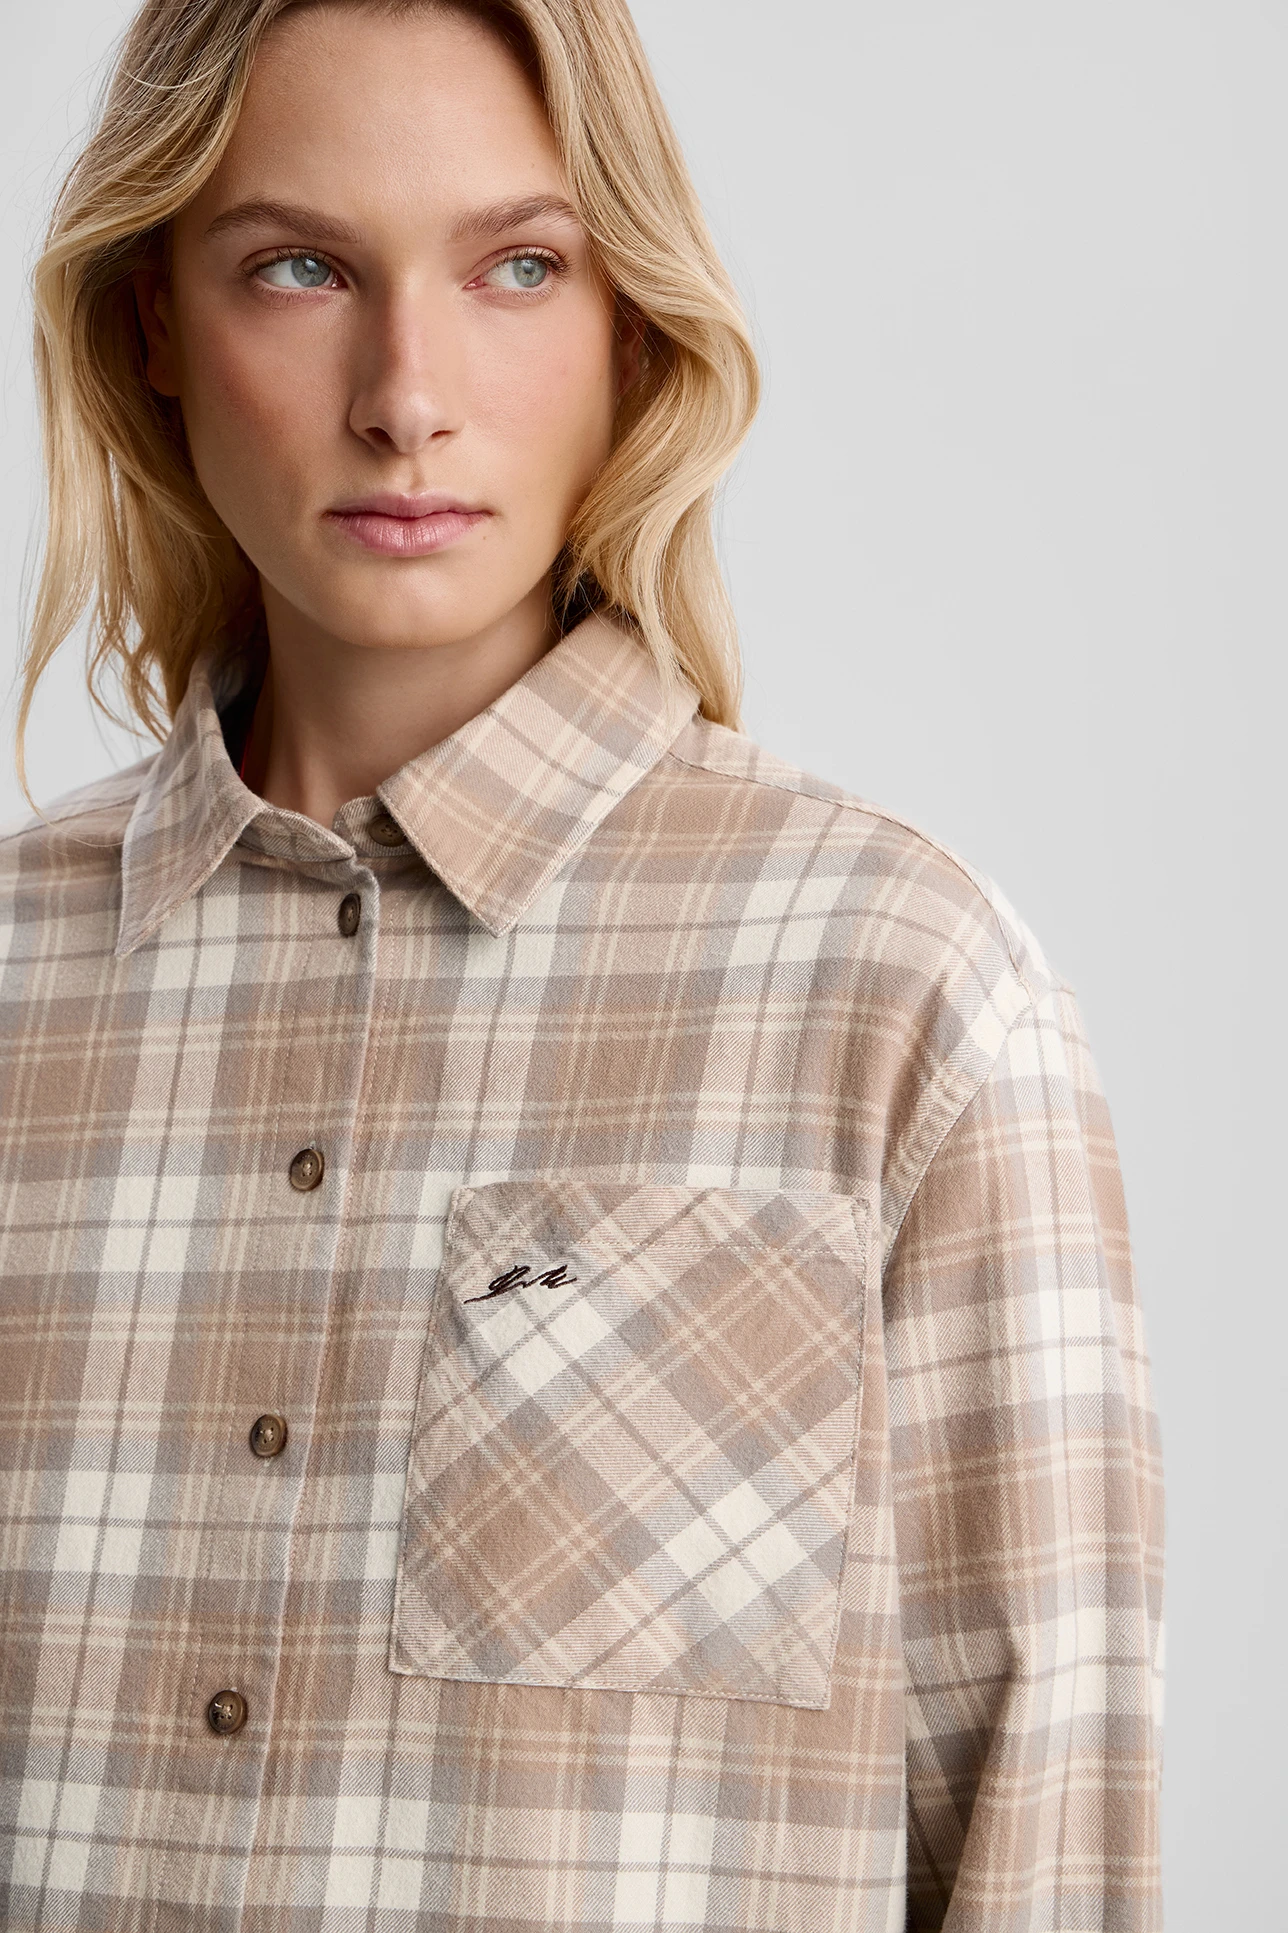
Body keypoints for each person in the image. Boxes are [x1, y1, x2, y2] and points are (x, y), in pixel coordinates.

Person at [0, 0, 1164, 1927]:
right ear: (152, 326)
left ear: (631, 325)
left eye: (518, 268)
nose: (407, 397)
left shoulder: (899, 993)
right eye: (298, 268)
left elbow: (1040, 1833)